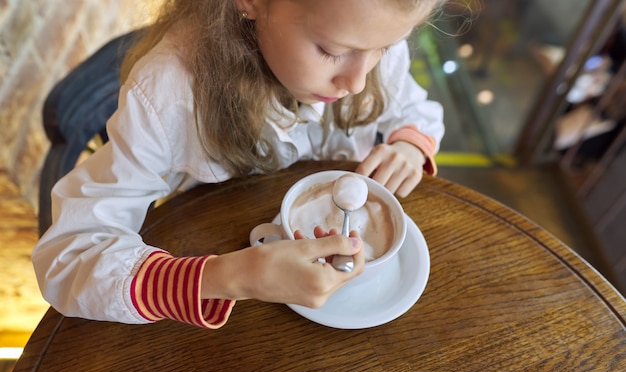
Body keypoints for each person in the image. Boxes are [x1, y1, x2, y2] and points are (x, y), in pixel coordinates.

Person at [32, 0, 446, 329]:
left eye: (385, 48)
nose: (357, 82)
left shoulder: (364, 36)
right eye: (332, 51)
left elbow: (411, 106)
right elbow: (67, 258)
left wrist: (409, 145)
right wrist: (231, 277)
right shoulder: (168, 95)